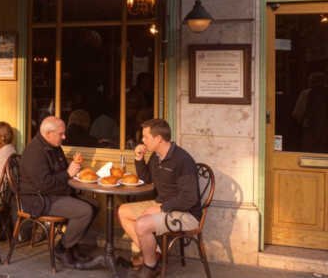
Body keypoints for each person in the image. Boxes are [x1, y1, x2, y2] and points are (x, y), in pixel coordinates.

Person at [117, 118, 202, 278]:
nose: (142, 140)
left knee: (142, 224)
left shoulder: (183, 160)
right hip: (162, 204)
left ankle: (150, 267)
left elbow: (189, 198)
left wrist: (161, 208)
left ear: (158, 139)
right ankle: (153, 255)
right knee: (123, 211)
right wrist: (139, 159)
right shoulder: (156, 156)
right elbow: (147, 179)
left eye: (145, 137)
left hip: (187, 213)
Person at [20, 116, 96, 268]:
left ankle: (72, 245)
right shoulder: (35, 152)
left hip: (53, 194)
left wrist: (73, 169)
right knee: (85, 211)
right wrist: (68, 174)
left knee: (94, 204)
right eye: (61, 134)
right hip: (38, 200)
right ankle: (63, 248)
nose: (64, 137)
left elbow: (61, 173)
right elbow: (44, 185)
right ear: (48, 133)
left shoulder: (54, 147)